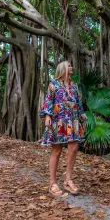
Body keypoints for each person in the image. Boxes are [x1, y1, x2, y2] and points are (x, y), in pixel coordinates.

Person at [40, 60, 87, 196]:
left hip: (72, 120)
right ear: (63, 69)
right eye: (69, 66)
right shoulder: (53, 84)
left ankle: (68, 181)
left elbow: (78, 102)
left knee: (73, 148)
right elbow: (49, 100)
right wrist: (47, 115)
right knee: (57, 150)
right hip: (57, 120)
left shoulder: (74, 85)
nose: (71, 68)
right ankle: (52, 183)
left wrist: (82, 117)